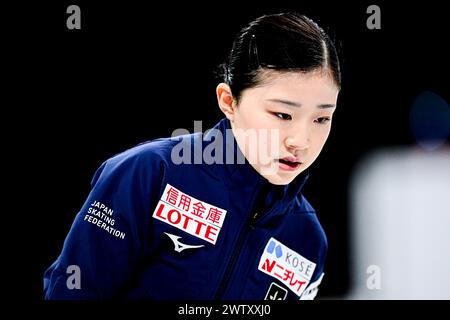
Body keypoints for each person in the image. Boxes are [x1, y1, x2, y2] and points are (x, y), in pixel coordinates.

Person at [43, 12, 341, 300]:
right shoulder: (149, 173)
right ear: (228, 101)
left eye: (321, 119)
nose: (300, 141)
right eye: (282, 114)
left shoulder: (308, 240)